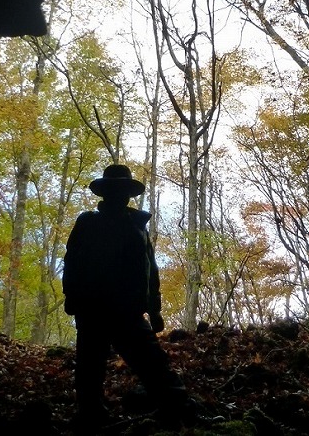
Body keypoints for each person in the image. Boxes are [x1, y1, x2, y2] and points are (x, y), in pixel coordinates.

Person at [62, 164, 198, 431]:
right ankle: (91, 418)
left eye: (122, 190)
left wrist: (154, 309)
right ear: (105, 193)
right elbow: (72, 261)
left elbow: (150, 269)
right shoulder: (88, 223)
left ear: (127, 193)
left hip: (127, 312)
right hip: (93, 310)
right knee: (90, 369)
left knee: (152, 363)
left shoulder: (138, 228)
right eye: (113, 190)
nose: (118, 195)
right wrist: (72, 296)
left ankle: (178, 410)